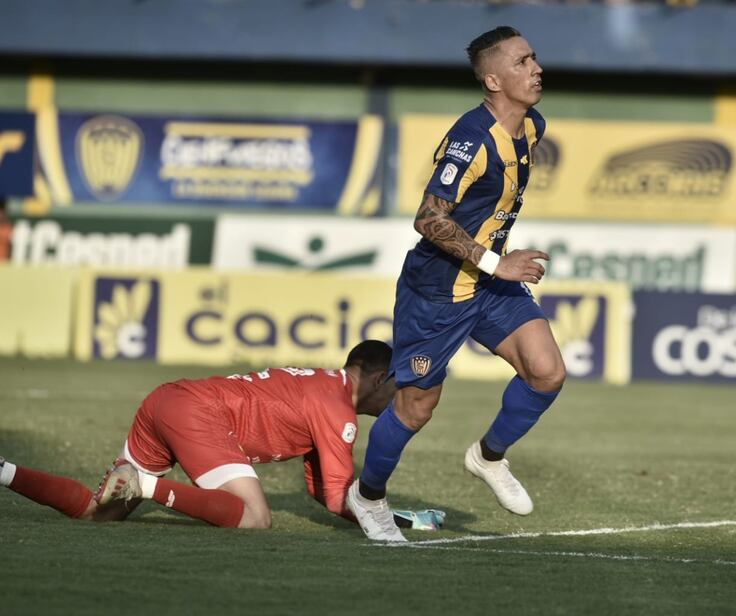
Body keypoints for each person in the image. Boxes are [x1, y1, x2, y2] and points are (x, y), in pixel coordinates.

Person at [346, 26, 567, 542]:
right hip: (438, 291)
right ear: (492, 79)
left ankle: (488, 458)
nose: (536, 68)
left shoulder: (532, 126)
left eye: (534, 58)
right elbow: (428, 218)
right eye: (521, 62)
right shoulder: (471, 139)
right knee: (417, 406)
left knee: (547, 372)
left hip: (488, 282)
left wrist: (494, 265)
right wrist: (496, 262)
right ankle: (368, 496)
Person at [0, 340, 441, 531]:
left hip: (168, 400)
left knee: (99, 515)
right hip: (199, 414)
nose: (399, 400)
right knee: (254, 518)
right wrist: (393, 520)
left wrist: (398, 514)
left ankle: (5, 472)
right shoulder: (338, 409)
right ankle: (147, 484)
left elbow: (322, 489)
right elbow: (335, 499)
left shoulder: (325, 390)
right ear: (381, 378)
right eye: (399, 389)